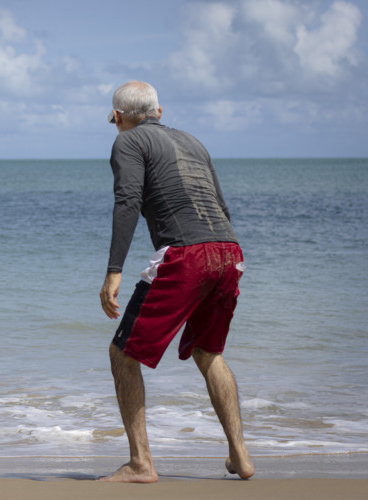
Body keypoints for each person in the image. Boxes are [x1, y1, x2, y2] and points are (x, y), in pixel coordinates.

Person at [98, 81, 254, 483]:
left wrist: (114, 269)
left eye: (114, 118)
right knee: (209, 352)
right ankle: (240, 455)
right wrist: (223, 256)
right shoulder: (193, 141)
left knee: (122, 355)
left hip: (185, 254)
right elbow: (221, 203)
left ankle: (140, 464)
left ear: (117, 117)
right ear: (160, 112)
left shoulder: (128, 141)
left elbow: (128, 200)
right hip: (229, 251)